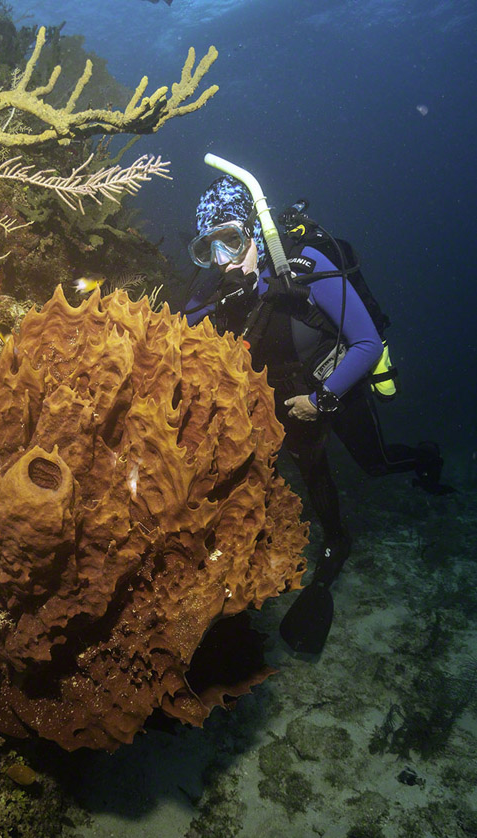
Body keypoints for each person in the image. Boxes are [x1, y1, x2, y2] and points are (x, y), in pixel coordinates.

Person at [185, 175, 449, 597]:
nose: (222, 260)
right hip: (285, 399)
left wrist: (322, 399)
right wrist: (222, 304)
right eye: (207, 248)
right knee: (313, 472)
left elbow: (365, 342)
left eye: (230, 241)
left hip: (333, 384)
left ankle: (425, 460)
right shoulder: (216, 287)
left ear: (254, 232)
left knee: (374, 463)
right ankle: (337, 538)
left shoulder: (305, 267)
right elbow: (178, 331)